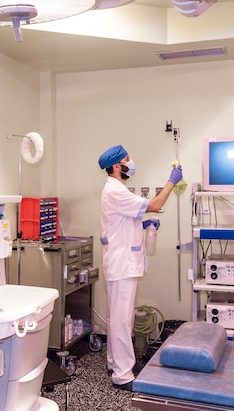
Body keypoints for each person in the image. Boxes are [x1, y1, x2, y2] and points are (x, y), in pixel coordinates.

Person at [97, 144, 183, 391]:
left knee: (117, 317)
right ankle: (123, 375)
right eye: (127, 159)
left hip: (120, 262)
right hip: (122, 264)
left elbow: (121, 221)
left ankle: (115, 363)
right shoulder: (115, 191)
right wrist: (171, 182)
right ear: (116, 166)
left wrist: (142, 225)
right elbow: (155, 204)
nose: (131, 162)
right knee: (123, 319)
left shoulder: (116, 190)